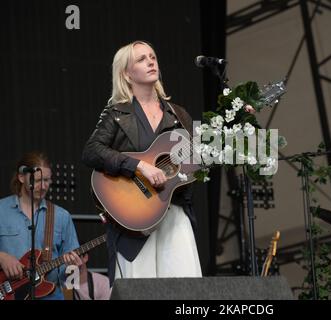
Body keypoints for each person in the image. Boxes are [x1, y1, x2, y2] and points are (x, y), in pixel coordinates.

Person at [81, 40, 202, 285]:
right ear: (127, 73)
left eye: (153, 57)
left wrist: (234, 125)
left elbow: (198, 158)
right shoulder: (117, 113)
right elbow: (91, 151)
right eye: (141, 59)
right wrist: (139, 166)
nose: (150, 61)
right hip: (135, 219)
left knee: (186, 290)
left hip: (173, 213)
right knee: (140, 289)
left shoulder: (179, 114)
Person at [0, 152, 83, 300]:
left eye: (47, 180)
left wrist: (74, 268)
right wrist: (1, 257)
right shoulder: (1, 210)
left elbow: (72, 281)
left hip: (50, 295)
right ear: (21, 177)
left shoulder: (61, 216)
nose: (43, 186)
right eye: (37, 180)